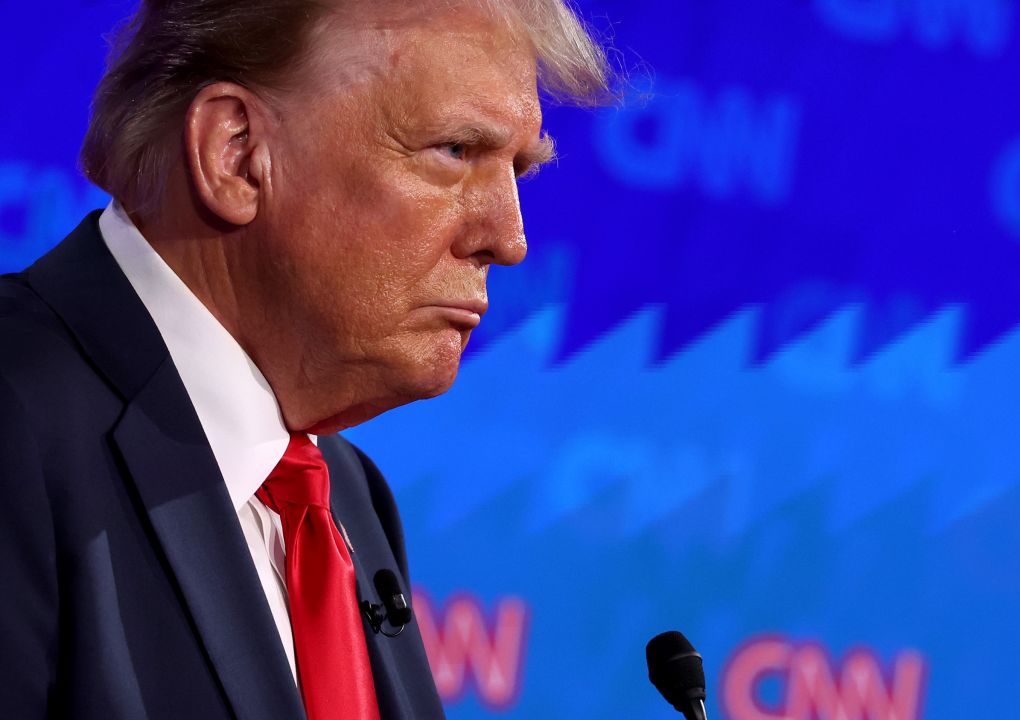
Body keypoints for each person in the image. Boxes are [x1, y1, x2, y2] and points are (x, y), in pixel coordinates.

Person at [0, 0, 613, 717]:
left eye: (520, 170)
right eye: (454, 151)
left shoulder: (346, 495)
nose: (509, 239)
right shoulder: (17, 420)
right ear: (235, 154)